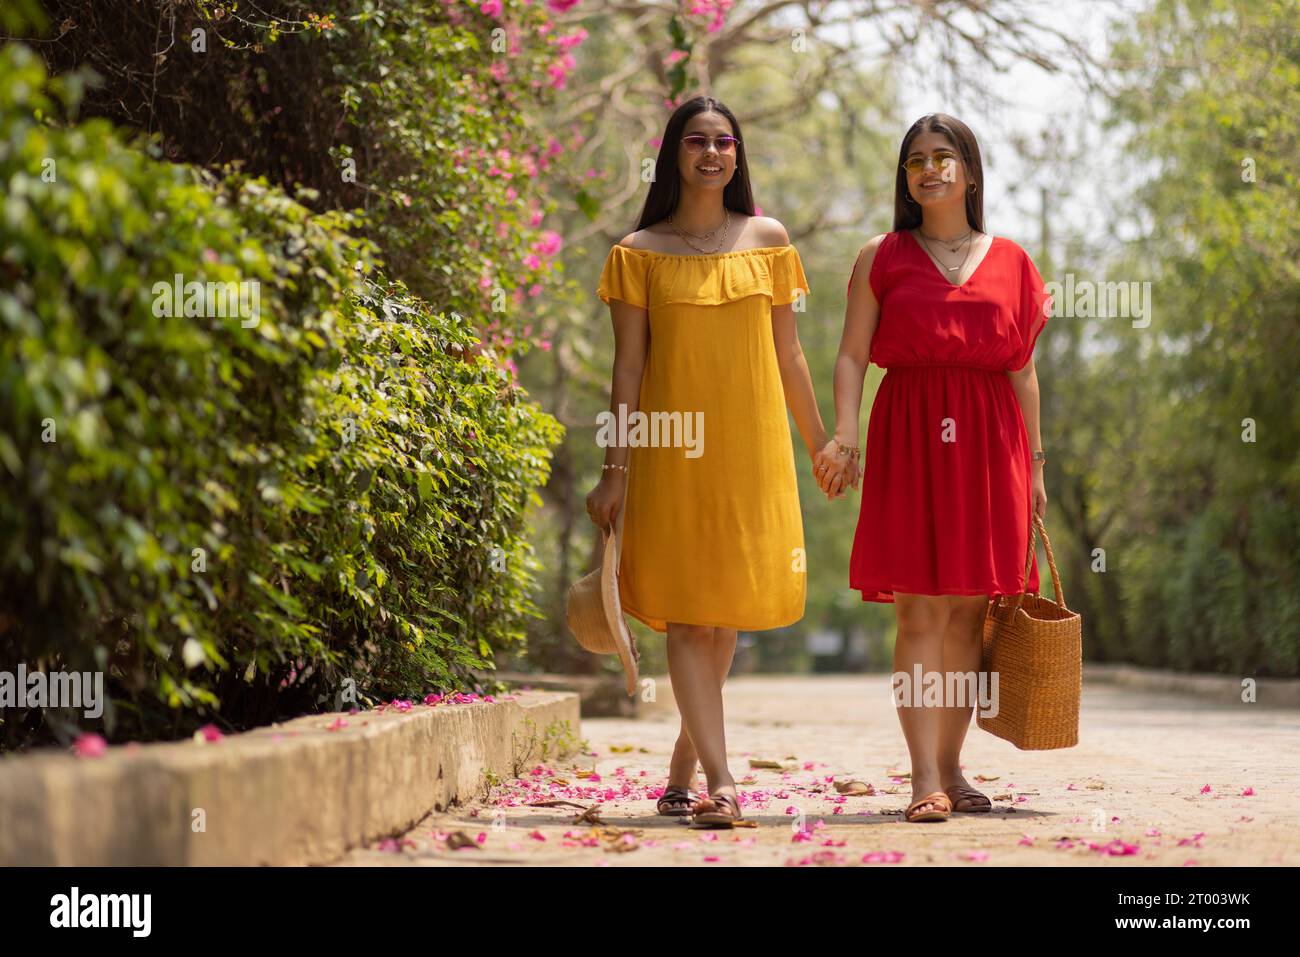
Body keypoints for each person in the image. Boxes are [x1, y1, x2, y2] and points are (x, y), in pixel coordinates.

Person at [586, 95, 835, 827]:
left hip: (753, 449)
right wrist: (614, 469)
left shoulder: (768, 238)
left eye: (724, 141)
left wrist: (821, 441)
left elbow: (791, 354)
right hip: (670, 455)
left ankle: (683, 764)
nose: (712, 153)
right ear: (672, 155)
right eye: (696, 141)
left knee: (723, 617)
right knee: (693, 620)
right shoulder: (637, 252)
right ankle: (722, 783)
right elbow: (626, 371)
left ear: (737, 154)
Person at [815, 113, 1052, 823]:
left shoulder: (1013, 260)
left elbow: (1023, 369)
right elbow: (852, 354)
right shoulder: (881, 255)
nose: (930, 169)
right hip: (909, 433)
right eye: (916, 159)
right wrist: (844, 437)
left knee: (970, 610)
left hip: (990, 441)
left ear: (970, 173)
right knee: (920, 608)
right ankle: (924, 775)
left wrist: (1036, 468)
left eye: (944, 157)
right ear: (906, 177)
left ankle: (954, 765)